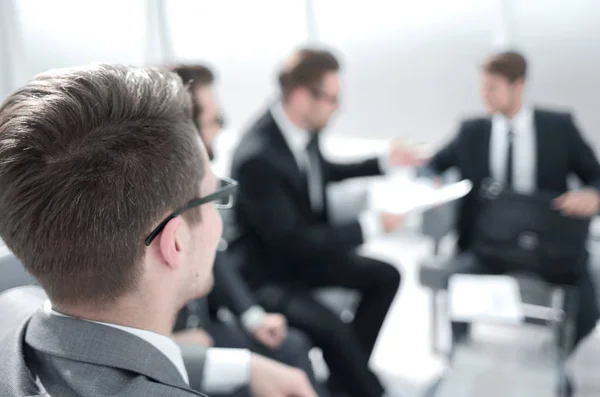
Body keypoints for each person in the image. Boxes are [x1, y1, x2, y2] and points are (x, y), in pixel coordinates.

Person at [0, 64, 317, 397]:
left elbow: (97, 356)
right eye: (214, 197)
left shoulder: (12, 308)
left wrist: (243, 367)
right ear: (175, 241)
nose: (219, 220)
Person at [229, 48, 422, 397]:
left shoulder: (301, 131)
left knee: (386, 276)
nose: (338, 108)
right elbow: (293, 241)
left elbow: (320, 172)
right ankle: (366, 388)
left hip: (301, 257)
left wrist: (383, 162)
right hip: (269, 274)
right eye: (332, 99)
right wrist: (370, 226)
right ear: (302, 97)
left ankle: (345, 383)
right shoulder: (257, 156)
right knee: (333, 329)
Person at [424, 50, 600, 396]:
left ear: (518, 85)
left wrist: (593, 194)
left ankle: (554, 361)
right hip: (488, 246)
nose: (484, 95)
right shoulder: (472, 130)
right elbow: (433, 165)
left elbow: (597, 176)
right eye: (482, 87)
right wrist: (432, 180)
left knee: (589, 304)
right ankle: (461, 358)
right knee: (457, 280)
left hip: (549, 247)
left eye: (492, 88)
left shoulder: (558, 128)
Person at [170, 64, 329, 397]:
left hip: (204, 326)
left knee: (293, 345)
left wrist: (252, 316)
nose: (221, 127)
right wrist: (170, 342)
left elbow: (216, 257)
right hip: (175, 339)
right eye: (214, 119)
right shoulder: (148, 207)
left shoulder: (193, 183)